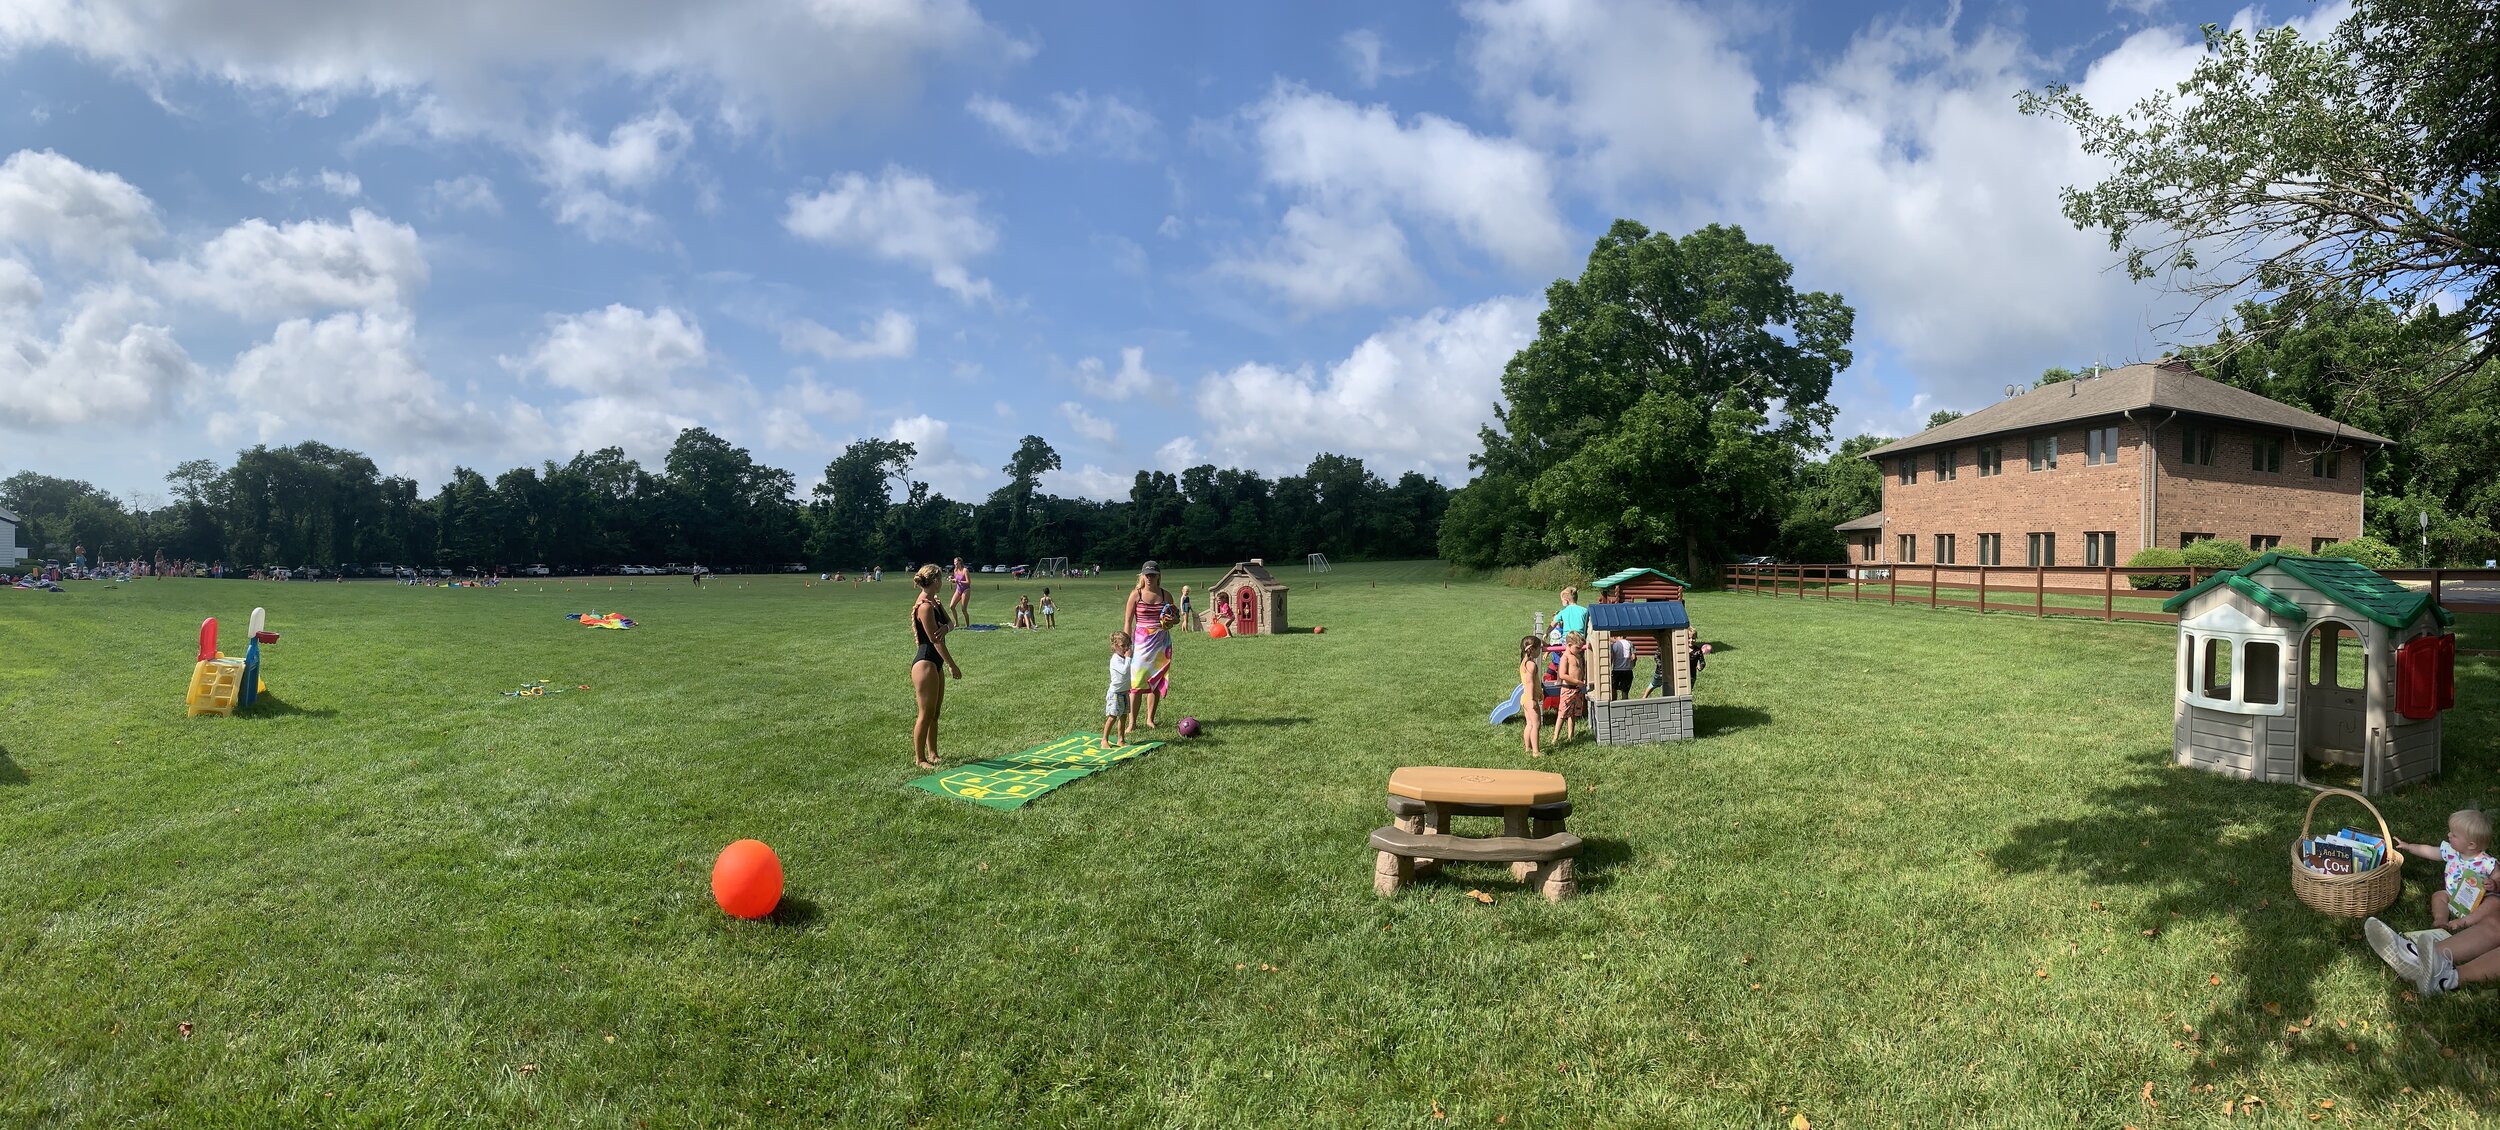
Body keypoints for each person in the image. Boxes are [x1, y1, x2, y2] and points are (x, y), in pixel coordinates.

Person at [2394, 810, 2497, 933]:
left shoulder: (2487, 863)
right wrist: (2409, 846)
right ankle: (2440, 920)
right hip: (2451, 895)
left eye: (2454, 835)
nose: (2448, 835)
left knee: (2491, 904)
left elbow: (2498, 877)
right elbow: (2429, 851)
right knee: (2438, 896)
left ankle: (2464, 922)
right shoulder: (2452, 852)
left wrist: (2494, 884)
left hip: (2477, 901)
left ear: (2471, 845)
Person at [908, 564, 963, 771]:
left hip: (935, 663)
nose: (943, 582)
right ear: (935, 580)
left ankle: (933, 753)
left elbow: (950, 624)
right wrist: (952, 665)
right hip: (926, 662)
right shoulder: (924, 606)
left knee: (935, 713)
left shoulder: (935, 602)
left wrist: (945, 627)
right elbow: (935, 640)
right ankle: (920, 758)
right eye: (941, 579)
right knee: (925, 713)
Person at [1124, 561, 1178, 729]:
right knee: (1136, 683)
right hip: (1141, 643)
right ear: (1142, 576)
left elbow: (1176, 618)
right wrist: (1127, 646)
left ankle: (1149, 719)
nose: (1150, 578)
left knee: (1155, 682)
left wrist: (1172, 620)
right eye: (1147, 575)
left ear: (1158, 576)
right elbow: (1128, 621)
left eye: (1153, 575)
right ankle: (1132, 722)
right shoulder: (1136, 595)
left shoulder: (1165, 595)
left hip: (1161, 644)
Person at [1551, 631, 1590, 747]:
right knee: (1562, 713)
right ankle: (1555, 738)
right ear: (1569, 645)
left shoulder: (1577, 656)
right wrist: (1578, 681)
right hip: (1567, 688)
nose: (1580, 650)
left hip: (1576, 689)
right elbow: (1563, 675)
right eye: (1578, 648)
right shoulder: (1565, 657)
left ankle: (1570, 736)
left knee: (1572, 713)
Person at [1101, 630, 1134, 748]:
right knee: (1112, 716)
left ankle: (1121, 739)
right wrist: (1129, 658)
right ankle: (1104, 739)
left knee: (1123, 716)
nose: (1126, 648)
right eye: (1122, 646)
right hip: (1115, 693)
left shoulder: (1125, 657)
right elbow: (1124, 671)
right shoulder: (1115, 659)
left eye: (1128, 645)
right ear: (1115, 646)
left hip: (1125, 692)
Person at [1516, 636, 1546, 759]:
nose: (1541, 651)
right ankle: (1536, 751)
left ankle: (1527, 748)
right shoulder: (1531, 665)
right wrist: (1532, 699)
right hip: (1529, 698)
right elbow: (1530, 683)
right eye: (1539, 648)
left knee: (1529, 724)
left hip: (1525, 698)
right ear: (1532, 650)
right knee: (1536, 724)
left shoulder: (1524, 662)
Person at [1609, 633, 1635, 699]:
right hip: (1627, 671)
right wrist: (1632, 665)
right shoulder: (1630, 643)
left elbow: (1611, 657)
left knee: (1613, 689)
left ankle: (1614, 705)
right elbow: (1634, 657)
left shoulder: (1614, 644)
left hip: (1616, 670)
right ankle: (1624, 706)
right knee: (1625, 691)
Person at [949, 557, 972, 627]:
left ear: (960, 563)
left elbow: (968, 582)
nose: (955, 564)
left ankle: (967, 625)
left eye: (956, 563)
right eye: (954, 563)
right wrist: (952, 579)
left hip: (966, 590)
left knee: (963, 609)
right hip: (958, 590)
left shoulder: (965, 570)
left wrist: (958, 581)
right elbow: (956, 579)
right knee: (952, 606)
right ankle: (956, 623)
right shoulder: (955, 570)